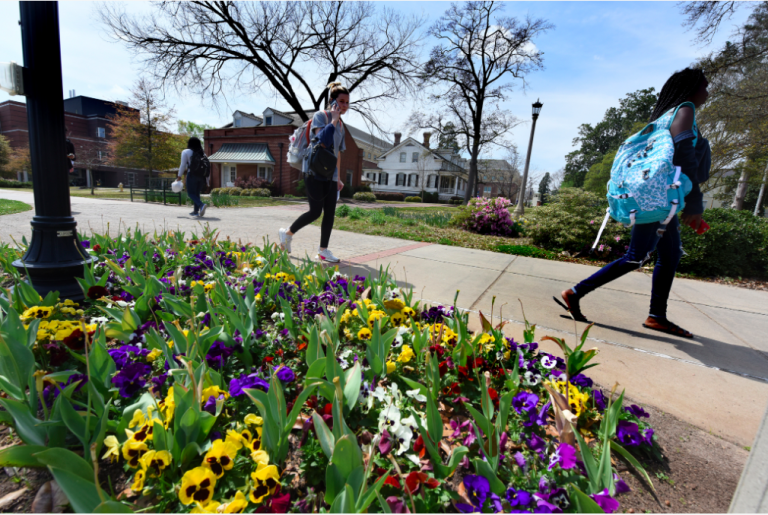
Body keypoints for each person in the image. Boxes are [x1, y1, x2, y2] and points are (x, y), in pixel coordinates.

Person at [557, 67, 711, 339]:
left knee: (671, 254)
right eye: (704, 86)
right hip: (658, 199)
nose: (707, 92)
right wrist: (695, 202)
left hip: (659, 199)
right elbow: (685, 155)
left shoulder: (664, 116)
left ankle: (656, 316)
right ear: (691, 88)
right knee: (636, 256)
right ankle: (576, 292)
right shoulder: (684, 109)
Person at [278, 81, 349, 263]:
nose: (345, 106)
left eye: (347, 102)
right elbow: (322, 141)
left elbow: (337, 154)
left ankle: (323, 250)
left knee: (330, 213)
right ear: (332, 101)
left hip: (330, 175)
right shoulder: (321, 116)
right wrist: (333, 119)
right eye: (341, 101)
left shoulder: (341, 126)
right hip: (314, 172)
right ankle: (287, 233)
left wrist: (338, 177)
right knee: (315, 212)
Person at [177, 137, 210, 217]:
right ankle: (196, 211)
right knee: (196, 193)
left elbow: (183, 165)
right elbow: (207, 166)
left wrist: (179, 176)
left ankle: (201, 205)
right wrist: (207, 181)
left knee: (191, 193)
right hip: (202, 176)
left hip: (192, 175)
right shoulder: (203, 153)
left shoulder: (186, 152)